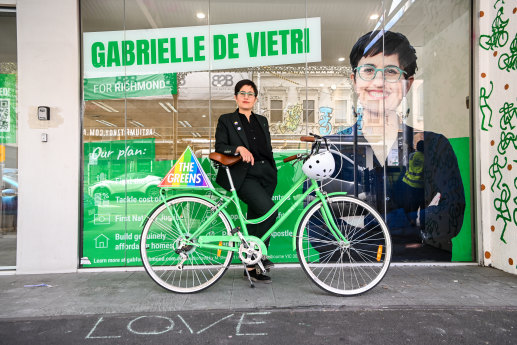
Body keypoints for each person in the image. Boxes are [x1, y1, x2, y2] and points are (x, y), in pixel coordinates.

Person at [330, 31, 465, 261]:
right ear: (354, 81)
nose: (379, 81)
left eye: (391, 72)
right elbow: (319, 228)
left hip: (424, 275)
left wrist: (364, 223)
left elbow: (450, 220)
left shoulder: (435, 147)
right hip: (350, 276)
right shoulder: (333, 149)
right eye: (369, 70)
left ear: (407, 84)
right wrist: (418, 218)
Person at [214, 79, 277, 283]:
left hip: (265, 174)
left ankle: (252, 264)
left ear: (255, 98)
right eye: (242, 93)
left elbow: (266, 148)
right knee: (269, 211)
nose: (246, 97)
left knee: (256, 217)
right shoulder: (226, 119)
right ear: (236, 97)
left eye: (250, 94)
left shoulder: (262, 120)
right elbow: (220, 146)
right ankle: (254, 259)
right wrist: (238, 149)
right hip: (244, 175)